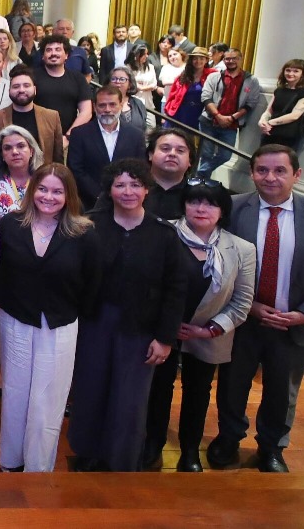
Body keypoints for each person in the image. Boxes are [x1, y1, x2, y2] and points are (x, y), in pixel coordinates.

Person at [209, 145, 304, 473]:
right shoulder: (232, 210)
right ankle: (228, 437)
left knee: (283, 389)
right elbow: (218, 265)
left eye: (280, 171)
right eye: (262, 170)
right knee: (233, 384)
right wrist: (250, 307)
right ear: (252, 174)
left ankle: (272, 447)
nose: (270, 178)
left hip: (296, 324)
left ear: (297, 174)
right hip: (242, 319)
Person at [69, 159, 186, 472]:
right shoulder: (88, 226)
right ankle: (87, 453)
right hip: (93, 323)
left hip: (141, 328)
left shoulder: (164, 235)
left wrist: (164, 338)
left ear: (146, 189)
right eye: (120, 184)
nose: (128, 191)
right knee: (90, 390)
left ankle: (121, 460)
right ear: (109, 189)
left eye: (135, 184)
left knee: (130, 399)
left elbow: (175, 291)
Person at [142, 179, 255, 472]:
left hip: (208, 334)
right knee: (158, 387)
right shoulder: (161, 233)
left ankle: (190, 450)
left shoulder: (241, 249)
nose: (201, 208)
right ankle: (152, 442)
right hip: (163, 329)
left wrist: (209, 330)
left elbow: (242, 301)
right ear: (184, 205)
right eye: (194, 201)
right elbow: (145, 284)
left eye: (210, 203)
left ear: (222, 210)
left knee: (198, 390)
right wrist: (165, 324)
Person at [0, 164, 99, 472]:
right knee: (15, 394)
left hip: (60, 324)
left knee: (48, 400)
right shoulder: (10, 225)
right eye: (42, 189)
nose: (48, 196)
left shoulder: (84, 233)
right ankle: (10, 462)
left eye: (57, 191)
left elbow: (92, 283)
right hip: (15, 320)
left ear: (69, 195)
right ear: (31, 190)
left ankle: (38, 469)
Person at [67, 86, 147, 208]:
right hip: (88, 204)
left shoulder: (135, 135)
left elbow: (140, 168)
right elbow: (75, 169)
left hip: (126, 201)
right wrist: (99, 195)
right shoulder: (79, 134)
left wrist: (121, 193)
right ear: (94, 107)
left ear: (121, 105)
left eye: (112, 104)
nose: (107, 109)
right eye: (102, 105)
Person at [197, 49, 265, 177]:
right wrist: (218, 116)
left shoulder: (252, 81)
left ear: (241, 59)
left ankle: (198, 175)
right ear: (224, 60)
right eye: (228, 59)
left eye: (234, 58)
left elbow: (251, 103)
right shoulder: (214, 76)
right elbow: (206, 97)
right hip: (209, 121)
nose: (231, 61)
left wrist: (232, 118)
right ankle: (201, 185)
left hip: (231, 125)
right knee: (206, 154)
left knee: (225, 155)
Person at [33, 35, 93, 143]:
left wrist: (67, 137)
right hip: (36, 140)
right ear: (43, 56)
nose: (53, 53)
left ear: (66, 55)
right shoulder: (31, 77)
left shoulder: (77, 78)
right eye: (48, 50)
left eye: (58, 50)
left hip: (69, 139)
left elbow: (86, 111)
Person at [0, 125, 43, 219]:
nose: (15, 152)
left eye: (21, 146)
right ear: (2, 155)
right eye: (8, 148)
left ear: (31, 151)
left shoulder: (43, 179)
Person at [259, 59, 304, 150]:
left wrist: (270, 122)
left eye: (296, 71)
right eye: (288, 70)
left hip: (288, 135)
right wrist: (262, 121)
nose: (290, 73)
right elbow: (269, 110)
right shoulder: (279, 90)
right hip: (270, 131)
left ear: (303, 74)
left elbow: (294, 116)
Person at [163, 46, 210, 129]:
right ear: (191, 60)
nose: (198, 61)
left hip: (199, 114)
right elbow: (173, 96)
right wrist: (167, 111)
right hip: (180, 112)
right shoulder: (183, 76)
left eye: (201, 58)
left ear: (206, 60)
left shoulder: (212, 75)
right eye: (195, 58)